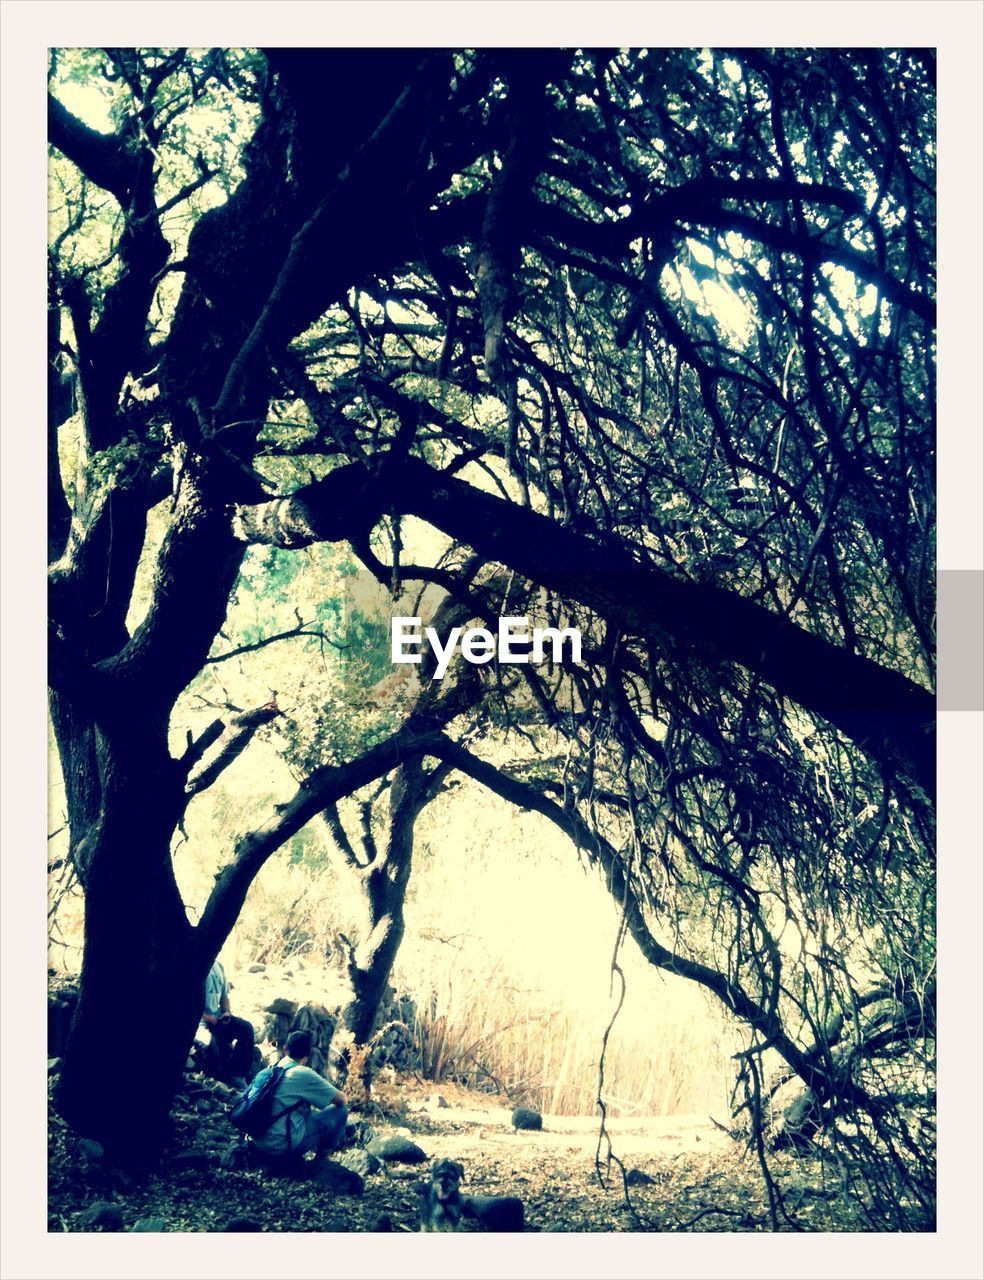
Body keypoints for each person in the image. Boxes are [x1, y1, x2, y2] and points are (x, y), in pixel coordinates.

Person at [250, 1029, 350, 1163]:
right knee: (341, 1112)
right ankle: (321, 1163)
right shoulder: (304, 1074)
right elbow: (341, 1100)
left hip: (257, 1140)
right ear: (308, 1054)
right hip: (279, 1146)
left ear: (285, 1049)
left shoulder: (268, 1071)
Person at [199, 958, 255, 1087]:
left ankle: (237, 1074)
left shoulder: (218, 966)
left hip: (218, 1017)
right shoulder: (197, 966)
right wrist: (207, 1018)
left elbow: (224, 997)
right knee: (210, 1044)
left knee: (246, 1028)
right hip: (200, 1022)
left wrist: (227, 1013)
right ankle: (214, 1080)